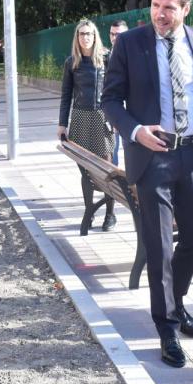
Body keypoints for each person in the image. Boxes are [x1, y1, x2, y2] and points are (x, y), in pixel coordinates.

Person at [102, 0, 193, 369]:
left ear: (185, 8)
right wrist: (137, 131)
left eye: (169, 8)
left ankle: (176, 303)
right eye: (156, 7)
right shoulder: (129, 43)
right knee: (159, 248)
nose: (160, 14)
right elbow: (110, 100)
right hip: (152, 157)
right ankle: (167, 327)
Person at [58, 20, 118, 234]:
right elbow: (66, 96)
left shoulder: (106, 59)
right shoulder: (71, 63)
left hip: (102, 118)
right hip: (80, 119)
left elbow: (116, 90)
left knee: (107, 171)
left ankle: (110, 214)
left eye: (89, 34)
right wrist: (62, 124)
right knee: (86, 172)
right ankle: (89, 212)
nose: (85, 37)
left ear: (95, 36)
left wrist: (116, 118)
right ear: (77, 37)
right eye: (82, 34)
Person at [107, 20, 129, 166]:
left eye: (118, 34)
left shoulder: (134, 56)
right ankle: (113, 186)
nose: (115, 38)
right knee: (112, 150)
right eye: (112, 34)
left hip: (132, 113)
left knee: (131, 151)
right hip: (115, 111)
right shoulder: (105, 57)